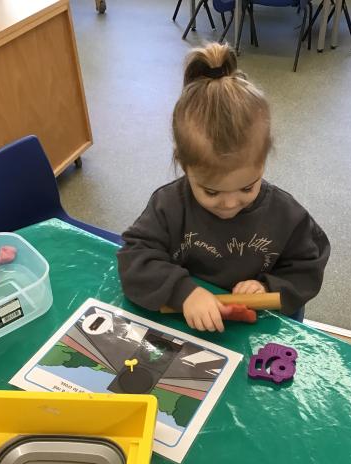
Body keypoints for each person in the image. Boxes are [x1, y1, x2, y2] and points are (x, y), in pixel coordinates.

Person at [117, 43, 330, 333]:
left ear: (262, 163)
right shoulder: (168, 206)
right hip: (188, 326)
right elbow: (134, 259)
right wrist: (184, 292)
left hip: (258, 330)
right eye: (211, 192)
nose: (229, 204)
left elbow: (307, 266)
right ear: (184, 165)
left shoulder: (286, 215)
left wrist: (267, 286)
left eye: (247, 188)